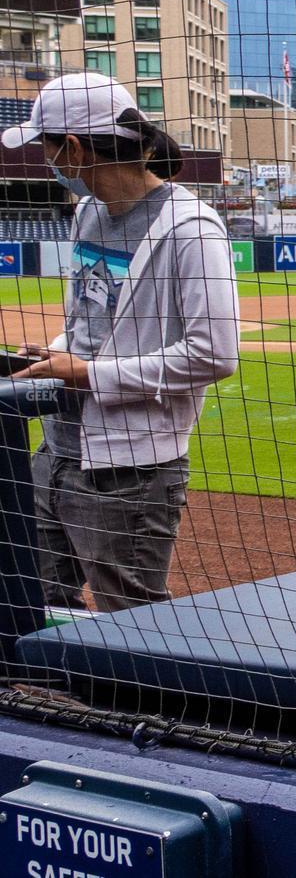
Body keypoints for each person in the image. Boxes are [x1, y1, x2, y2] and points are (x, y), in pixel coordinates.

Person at [3, 72, 240, 611]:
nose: (48, 160)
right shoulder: (88, 212)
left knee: (128, 620)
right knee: (29, 604)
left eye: (48, 146)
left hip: (130, 468)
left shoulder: (191, 230)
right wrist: (53, 352)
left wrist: (85, 373)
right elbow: (91, 319)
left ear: (76, 147)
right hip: (57, 449)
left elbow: (215, 354)